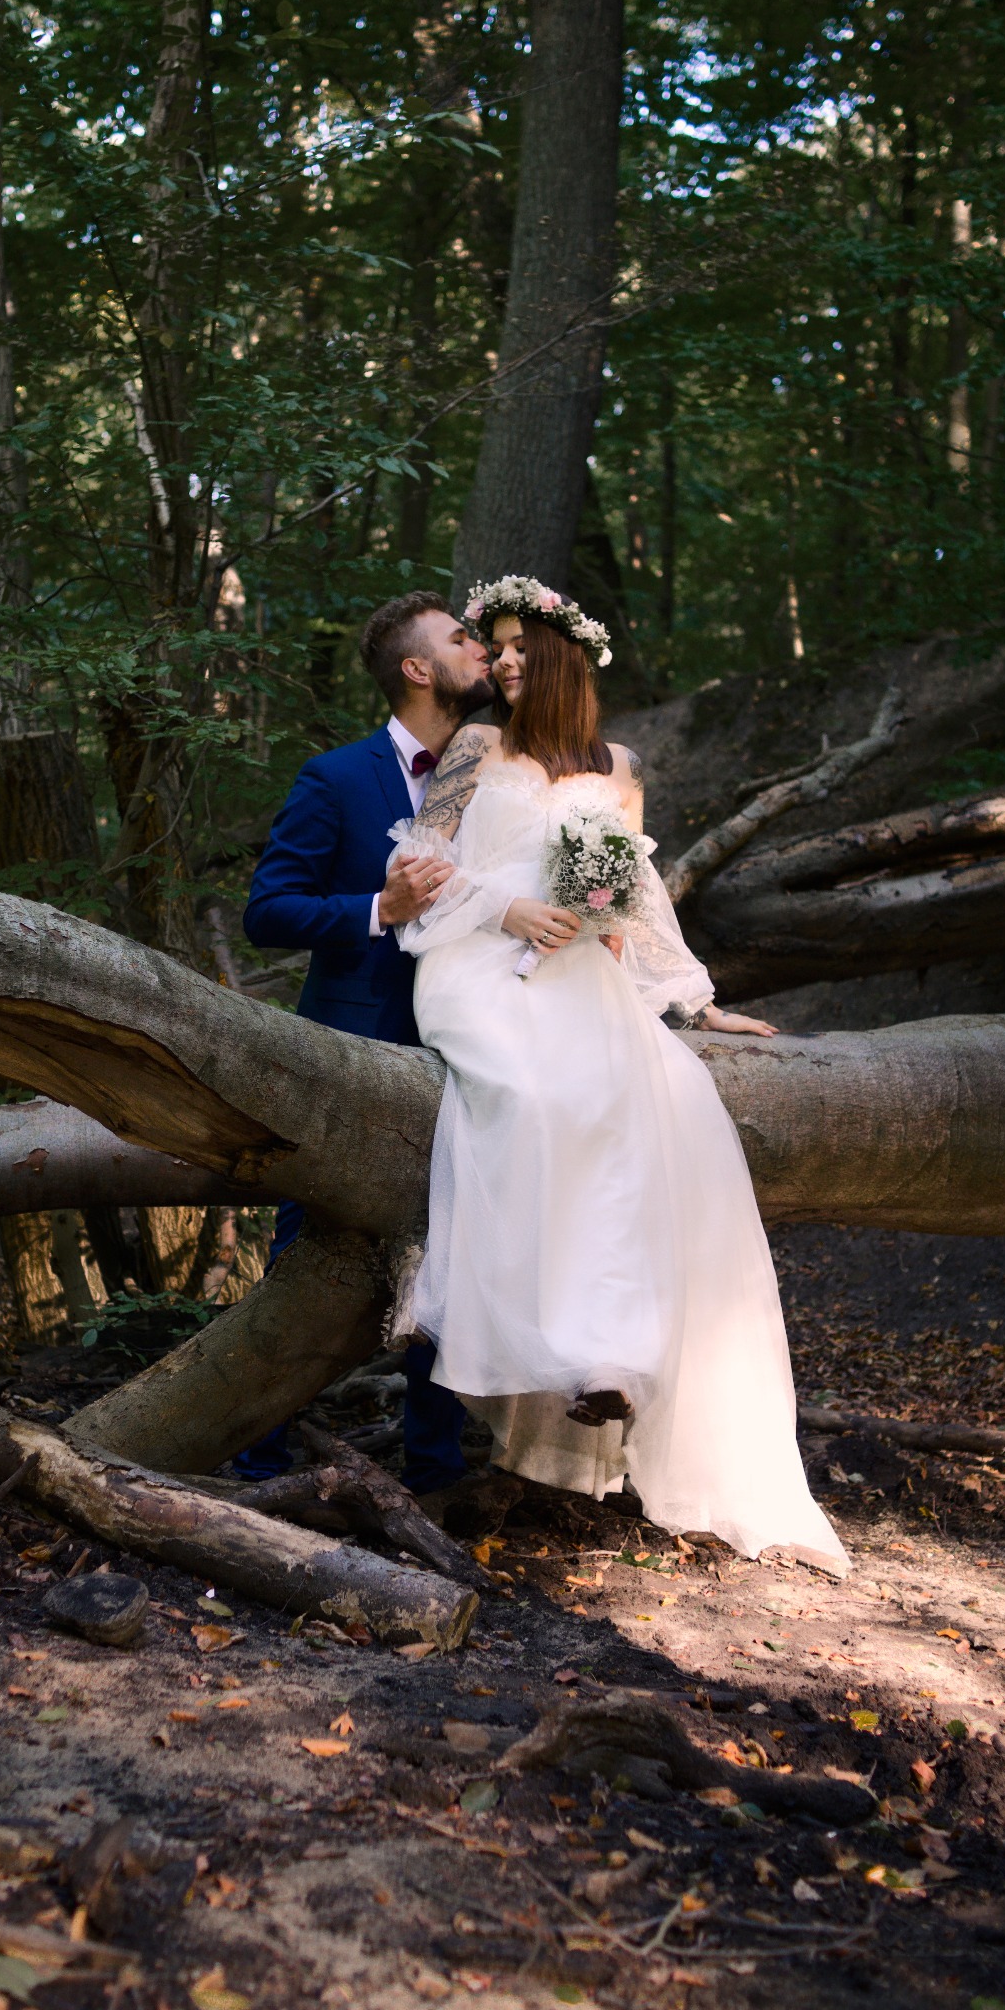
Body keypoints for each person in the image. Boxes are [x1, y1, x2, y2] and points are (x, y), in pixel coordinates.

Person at [392, 575, 849, 1571]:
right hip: (474, 960)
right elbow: (418, 863)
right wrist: (506, 912)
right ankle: (546, 1333)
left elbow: (628, 900)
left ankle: (606, 1356)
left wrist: (691, 997)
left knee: (656, 1097)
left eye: (521, 646)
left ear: (567, 656)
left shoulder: (619, 770)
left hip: (575, 969)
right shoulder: (476, 749)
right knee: (529, 1089)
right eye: (496, 646)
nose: (505, 660)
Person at [239, 591, 495, 1490]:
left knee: (459, 1247)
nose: (483, 651)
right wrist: (379, 910)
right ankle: (256, 1457)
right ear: (418, 669)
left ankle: (436, 1471)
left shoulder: (503, 773)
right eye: (461, 639)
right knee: (308, 1247)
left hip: (476, 1049)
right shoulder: (336, 778)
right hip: (352, 1052)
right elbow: (267, 912)